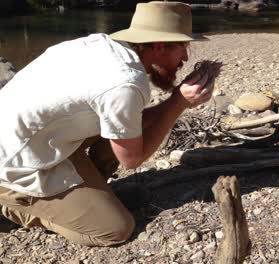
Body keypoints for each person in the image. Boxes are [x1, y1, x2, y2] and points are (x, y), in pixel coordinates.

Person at [0, 1, 214, 246]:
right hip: (14, 162)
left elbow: (129, 125)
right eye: (183, 47)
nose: (186, 57)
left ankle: (87, 192)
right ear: (158, 46)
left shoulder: (100, 45)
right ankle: (13, 205)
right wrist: (179, 102)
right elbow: (132, 159)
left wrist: (178, 100)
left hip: (32, 138)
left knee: (123, 125)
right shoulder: (125, 83)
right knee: (115, 229)